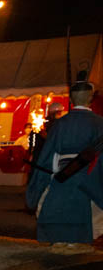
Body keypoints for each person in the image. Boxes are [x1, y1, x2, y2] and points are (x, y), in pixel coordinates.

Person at [26, 79, 103, 250]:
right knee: (87, 208)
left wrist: (48, 174)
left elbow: (49, 153)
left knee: (59, 206)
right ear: (91, 99)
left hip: (63, 172)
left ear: (70, 100)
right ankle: (79, 241)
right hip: (89, 174)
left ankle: (60, 240)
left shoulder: (60, 124)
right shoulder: (98, 122)